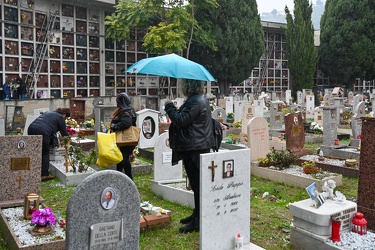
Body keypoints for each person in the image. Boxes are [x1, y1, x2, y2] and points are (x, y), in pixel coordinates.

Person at [165, 79, 214, 233]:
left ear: (188, 86)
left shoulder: (195, 101)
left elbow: (181, 120)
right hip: (196, 146)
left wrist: (169, 107)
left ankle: (198, 221)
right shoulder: (198, 99)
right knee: (196, 184)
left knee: (198, 186)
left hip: (195, 148)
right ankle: (196, 215)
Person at [28, 108, 70, 182]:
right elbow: (64, 133)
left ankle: (32, 171)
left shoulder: (49, 113)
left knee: (35, 151)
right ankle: (44, 174)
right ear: (65, 115)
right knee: (45, 152)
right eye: (66, 117)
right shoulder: (60, 117)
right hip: (43, 131)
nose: (65, 119)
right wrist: (69, 139)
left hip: (31, 128)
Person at [110, 92, 137, 180]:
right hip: (127, 140)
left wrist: (115, 126)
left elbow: (126, 123)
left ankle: (126, 179)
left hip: (125, 140)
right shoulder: (129, 109)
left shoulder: (125, 111)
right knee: (122, 160)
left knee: (123, 160)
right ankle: (121, 178)